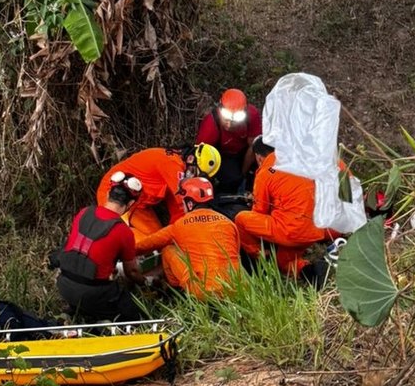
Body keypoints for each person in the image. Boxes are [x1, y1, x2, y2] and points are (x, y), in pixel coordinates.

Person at [234, 138, 342, 285]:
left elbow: (259, 212)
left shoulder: (266, 173)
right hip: (313, 231)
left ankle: (261, 257)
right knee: (284, 262)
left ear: (259, 157)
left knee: (241, 219)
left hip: (290, 231)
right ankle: (312, 272)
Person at [56, 172, 147, 323]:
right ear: (130, 204)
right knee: (135, 316)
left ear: (107, 194)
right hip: (93, 292)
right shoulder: (123, 231)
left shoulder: (84, 212)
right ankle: (104, 322)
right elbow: (131, 271)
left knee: (87, 295)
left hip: (63, 284)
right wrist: (144, 282)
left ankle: (73, 312)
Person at [136, 177, 240, 298]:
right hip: (235, 288)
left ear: (190, 203)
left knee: (168, 250)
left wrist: (124, 251)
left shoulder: (179, 225)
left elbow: (148, 244)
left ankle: (175, 293)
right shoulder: (228, 223)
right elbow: (235, 252)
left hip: (203, 291)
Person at [95, 144, 221, 240]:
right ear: (190, 158)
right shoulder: (173, 165)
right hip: (115, 193)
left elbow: (178, 211)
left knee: (157, 239)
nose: (193, 178)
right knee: (132, 239)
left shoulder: (177, 168)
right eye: (194, 172)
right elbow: (182, 203)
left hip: (137, 203)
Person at [195, 88, 262, 195]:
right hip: (221, 155)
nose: (230, 124)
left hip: (245, 151)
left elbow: (253, 146)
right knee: (232, 179)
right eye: (226, 117)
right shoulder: (211, 124)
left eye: (236, 119)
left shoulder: (252, 115)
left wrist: (243, 173)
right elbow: (201, 156)